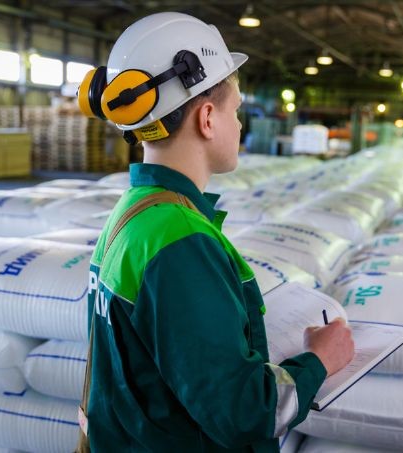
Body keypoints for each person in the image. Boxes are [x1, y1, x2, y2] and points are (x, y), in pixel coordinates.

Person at [76, 12, 354, 452]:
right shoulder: (181, 241)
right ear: (207, 118)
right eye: (235, 110)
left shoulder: (135, 213)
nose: (240, 125)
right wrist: (320, 359)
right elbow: (243, 414)